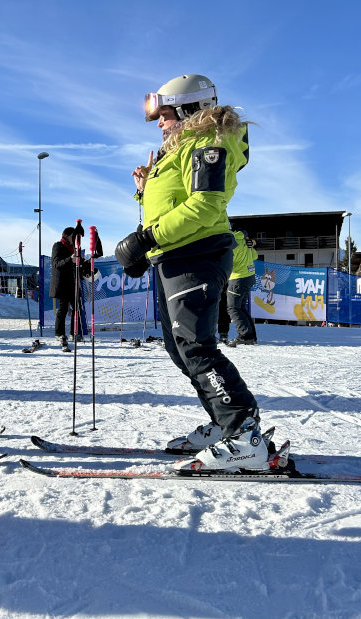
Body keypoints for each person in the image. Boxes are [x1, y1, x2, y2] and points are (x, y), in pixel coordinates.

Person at [115, 74, 269, 472]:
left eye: (165, 115)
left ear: (188, 109)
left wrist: (146, 237)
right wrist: (145, 188)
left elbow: (204, 205)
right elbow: (175, 199)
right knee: (181, 349)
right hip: (174, 256)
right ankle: (226, 423)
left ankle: (243, 433)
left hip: (196, 253)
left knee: (197, 347)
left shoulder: (206, 142)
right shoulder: (181, 147)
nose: (160, 124)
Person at [217, 231, 258, 347]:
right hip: (249, 277)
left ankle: (245, 335)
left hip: (238, 278)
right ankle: (251, 336)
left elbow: (227, 262)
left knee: (232, 308)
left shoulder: (232, 243)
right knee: (240, 308)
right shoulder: (245, 242)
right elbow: (255, 255)